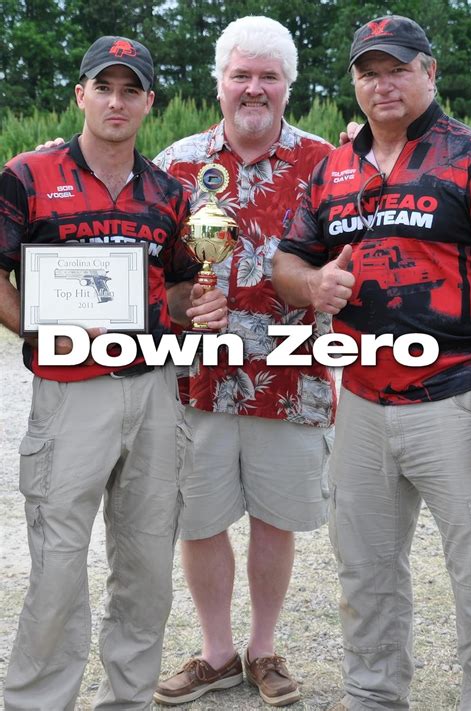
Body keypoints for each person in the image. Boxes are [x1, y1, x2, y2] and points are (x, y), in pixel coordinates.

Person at [0, 35, 227, 711]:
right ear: (82, 95)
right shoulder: (27, 175)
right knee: (58, 570)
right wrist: (44, 328)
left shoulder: (169, 192)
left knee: (147, 569)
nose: (117, 102)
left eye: (132, 90)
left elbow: (179, 290)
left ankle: (126, 700)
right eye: (104, 87)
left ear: (149, 101)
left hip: (154, 390)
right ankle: (38, 702)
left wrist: (201, 304)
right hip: (71, 393)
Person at [273, 14, 471, 711]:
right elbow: (287, 262)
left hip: (455, 394)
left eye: (398, 69)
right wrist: (312, 285)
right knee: (365, 572)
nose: (383, 84)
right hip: (360, 398)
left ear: (430, 72)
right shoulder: (334, 169)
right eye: (369, 73)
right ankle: (373, 697)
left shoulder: (465, 155)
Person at [153, 16, 337, 708]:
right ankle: (217, 652)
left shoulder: (328, 165)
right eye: (241, 75)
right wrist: (182, 304)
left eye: (268, 76)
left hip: (291, 375)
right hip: (197, 378)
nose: (254, 88)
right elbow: (152, 274)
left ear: (289, 84)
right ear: (219, 83)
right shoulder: (175, 164)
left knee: (274, 517)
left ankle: (263, 649)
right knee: (200, 519)